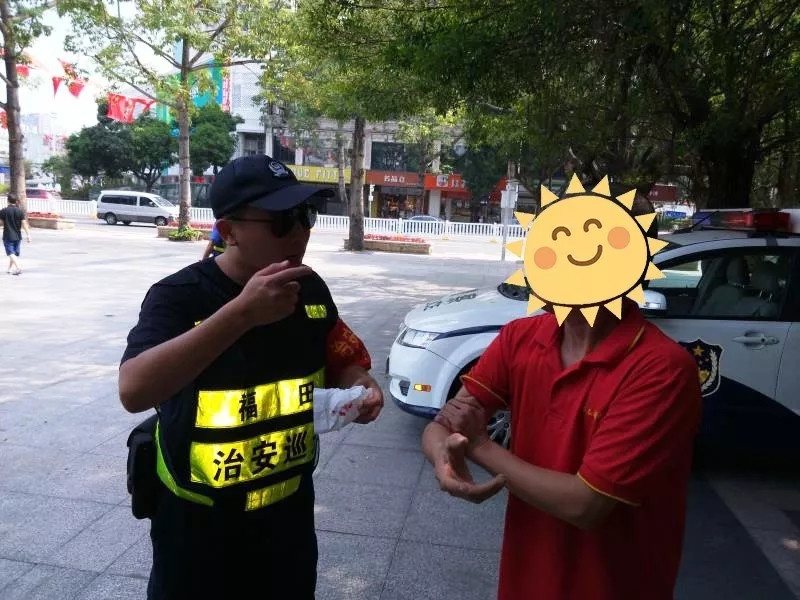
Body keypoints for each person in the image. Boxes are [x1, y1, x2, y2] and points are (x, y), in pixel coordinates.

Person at [120, 154, 384, 600]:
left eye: (305, 215)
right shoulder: (180, 297)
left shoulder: (309, 288)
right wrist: (241, 314)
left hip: (288, 519)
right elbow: (133, 390)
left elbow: (341, 357)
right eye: (281, 220)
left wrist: (360, 386)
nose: (299, 232)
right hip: (198, 527)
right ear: (229, 231)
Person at [422, 187, 702, 600]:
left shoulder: (661, 369)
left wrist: (479, 446)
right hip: (524, 581)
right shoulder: (520, 338)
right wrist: (443, 459)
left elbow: (584, 504)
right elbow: (445, 423)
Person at [0, 194, 31, 275]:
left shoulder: (3, 211)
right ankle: (9, 269)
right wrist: (28, 235)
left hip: (8, 236)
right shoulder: (20, 211)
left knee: (10, 253)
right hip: (17, 236)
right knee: (13, 253)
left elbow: (1, 222)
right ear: (16, 201)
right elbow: (24, 224)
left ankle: (18, 268)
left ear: (8, 201)